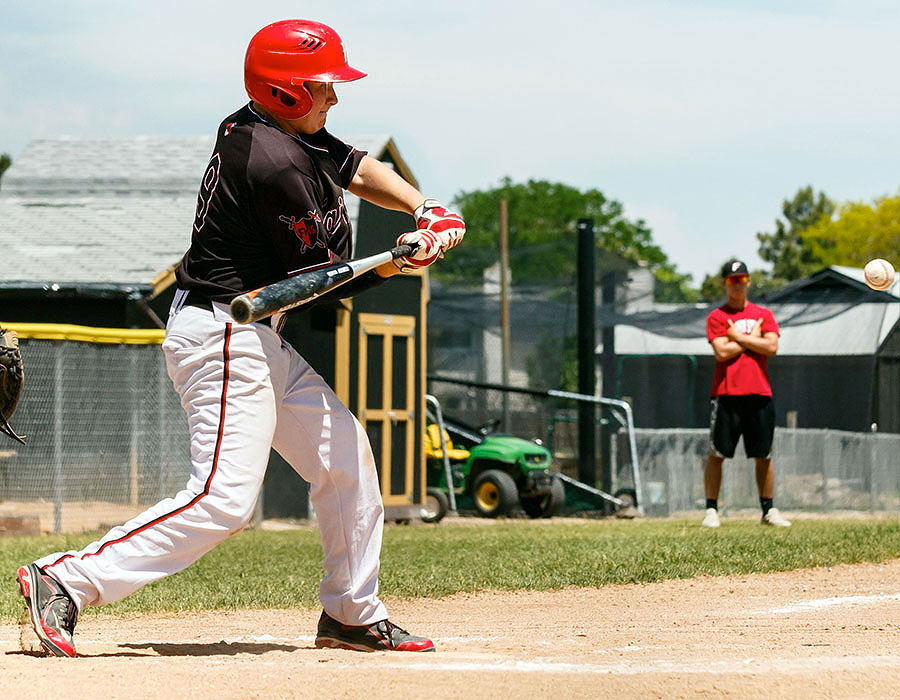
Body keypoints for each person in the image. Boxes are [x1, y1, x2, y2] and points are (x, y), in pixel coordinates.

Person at [17, 19, 465, 658]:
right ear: (284, 92)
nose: (333, 97)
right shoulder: (273, 162)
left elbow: (353, 165)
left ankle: (351, 613)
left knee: (345, 458)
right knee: (224, 501)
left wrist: (424, 210)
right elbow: (322, 283)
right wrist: (398, 263)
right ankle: (65, 578)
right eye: (322, 87)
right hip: (226, 333)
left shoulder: (268, 127)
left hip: (253, 334)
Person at [702, 260, 791, 529]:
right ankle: (711, 510)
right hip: (727, 393)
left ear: (748, 281)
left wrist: (737, 337)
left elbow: (772, 347)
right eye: (732, 280)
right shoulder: (717, 316)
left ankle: (768, 510)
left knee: (763, 454)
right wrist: (753, 339)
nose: (737, 285)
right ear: (724, 283)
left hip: (759, 393)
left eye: (741, 279)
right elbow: (722, 352)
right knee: (718, 454)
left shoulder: (763, 314)